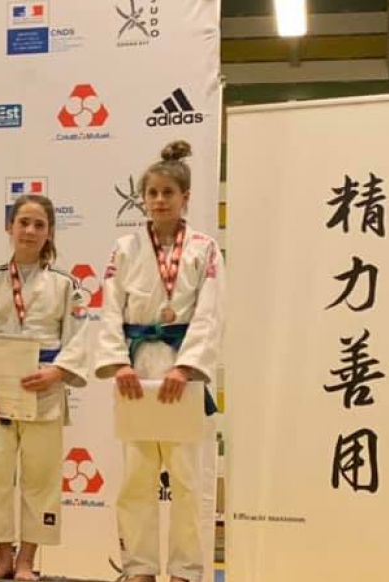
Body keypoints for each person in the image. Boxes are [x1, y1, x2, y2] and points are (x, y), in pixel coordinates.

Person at [93, 141, 224, 582]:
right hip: (136, 371)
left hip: (181, 372)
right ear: (142, 198)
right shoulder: (125, 248)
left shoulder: (205, 249)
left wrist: (186, 368)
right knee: (136, 477)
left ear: (186, 198)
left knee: (188, 478)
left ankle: (186, 569)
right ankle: (140, 568)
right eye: (152, 193)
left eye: (169, 193)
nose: (160, 201)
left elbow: (210, 311)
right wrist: (117, 363)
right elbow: (110, 307)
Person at [0, 194, 89, 580]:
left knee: (40, 478)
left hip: (43, 391)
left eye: (38, 225)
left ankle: (27, 559)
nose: (29, 231)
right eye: (23, 222)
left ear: (49, 233)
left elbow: (78, 338)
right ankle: (3, 558)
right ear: (9, 228)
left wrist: (58, 372)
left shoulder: (66, 286)